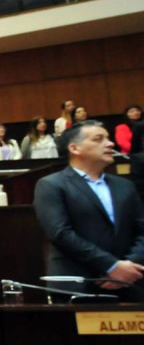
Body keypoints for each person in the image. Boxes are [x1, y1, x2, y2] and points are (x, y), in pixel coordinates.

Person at [34, 121, 144, 302]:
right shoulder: (51, 185)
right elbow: (59, 233)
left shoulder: (125, 185)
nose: (110, 144)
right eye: (98, 139)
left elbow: (141, 229)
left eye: (108, 138)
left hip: (131, 282)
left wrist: (129, 267)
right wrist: (111, 266)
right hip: (78, 284)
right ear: (75, 148)